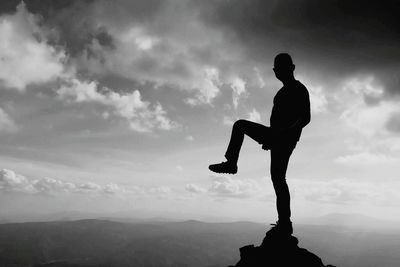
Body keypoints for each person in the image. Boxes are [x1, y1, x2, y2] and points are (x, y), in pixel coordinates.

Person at [209, 53, 311, 235]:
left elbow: (305, 118)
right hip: (276, 136)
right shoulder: (281, 93)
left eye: (281, 68)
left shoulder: (298, 89)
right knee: (277, 178)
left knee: (278, 178)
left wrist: (283, 133)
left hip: (284, 139)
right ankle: (284, 222)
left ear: (292, 68)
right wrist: (272, 139)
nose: (278, 72)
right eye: (276, 69)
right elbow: (280, 122)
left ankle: (285, 223)